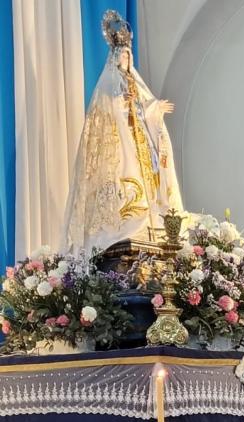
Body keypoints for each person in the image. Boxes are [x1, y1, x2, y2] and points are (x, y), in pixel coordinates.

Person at [64, 10, 183, 254]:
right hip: (122, 142)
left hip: (141, 140)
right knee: (127, 181)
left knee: (149, 176)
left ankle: (152, 219)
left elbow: (145, 106)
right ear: (115, 57)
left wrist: (155, 108)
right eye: (123, 56)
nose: (127, 60)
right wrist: (121, 102)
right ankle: (129, 222)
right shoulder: (108, 84)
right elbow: (105, 113)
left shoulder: (135, 83)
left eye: (129, 56)